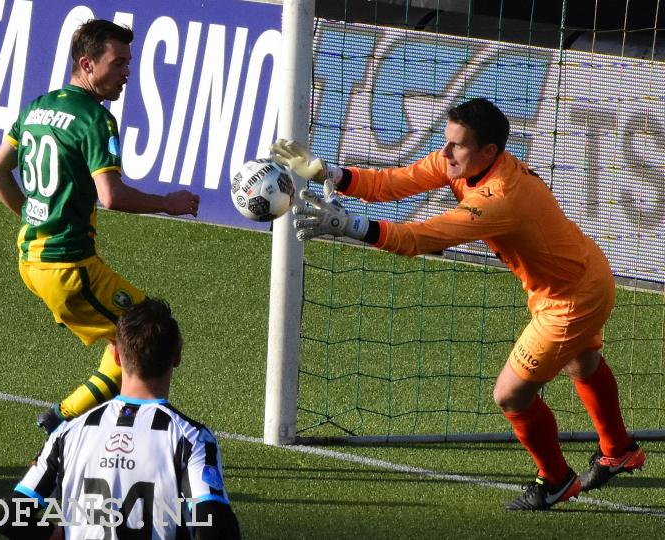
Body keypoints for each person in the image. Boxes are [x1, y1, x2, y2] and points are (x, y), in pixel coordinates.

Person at [271, 97, 646, 511]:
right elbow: (392, 183)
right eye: (446, 141)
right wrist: (329, 173)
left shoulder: (499, 198)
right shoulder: (461, 162)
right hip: (579, 272)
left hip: (573, 297)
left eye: (458, 145)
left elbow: (420, 238)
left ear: (489, 151)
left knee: (509, 395)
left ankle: (555, 479)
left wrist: (351, 226)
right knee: (581, 363)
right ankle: (619, 450)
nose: (445, 152)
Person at [0, 19, 200, 434]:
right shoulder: (95, 120)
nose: (127, 72)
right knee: (155, 338)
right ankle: (71, 425)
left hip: (33, 260)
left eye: (128, 62)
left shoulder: (37, 107)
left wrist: (36, 216)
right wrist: (169, 205)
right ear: (86, 63)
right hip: (69, 268)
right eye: (118, 62)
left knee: (127, 339)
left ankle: (72, 417)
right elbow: (111, 196)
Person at [0, 297, 241, 539]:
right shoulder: (192, 438)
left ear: (115, 358)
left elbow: (8, 519)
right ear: (177, 356)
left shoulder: (68, 433)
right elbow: (216, 528)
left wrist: (57, 532)